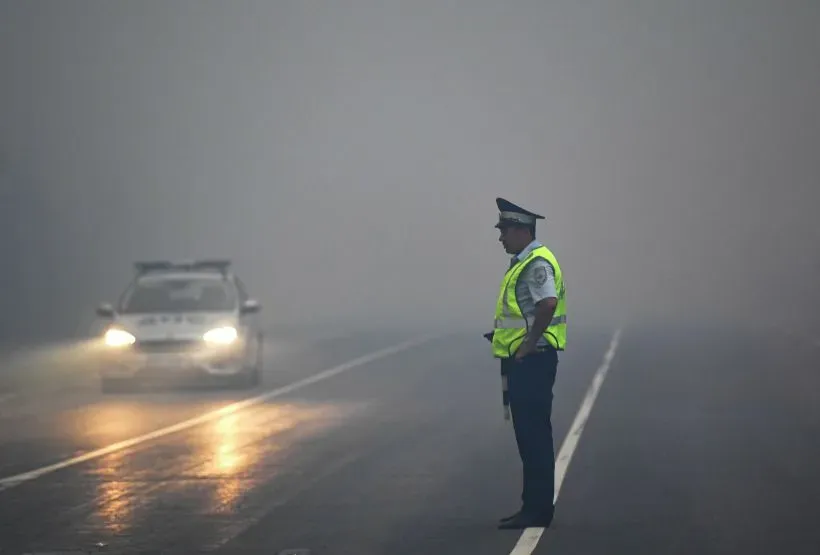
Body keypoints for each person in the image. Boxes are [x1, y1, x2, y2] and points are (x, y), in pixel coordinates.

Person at [489, 197, 567, 530]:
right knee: (530, 436)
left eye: (505, 230)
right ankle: (532, 506)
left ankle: (537, 510)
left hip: (532, 362)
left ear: (522, 230)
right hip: (525, 361)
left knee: (533, 437)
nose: (501, 237)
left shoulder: (536, 263)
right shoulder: (524, 261)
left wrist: (528, 344)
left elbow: (547, 304)